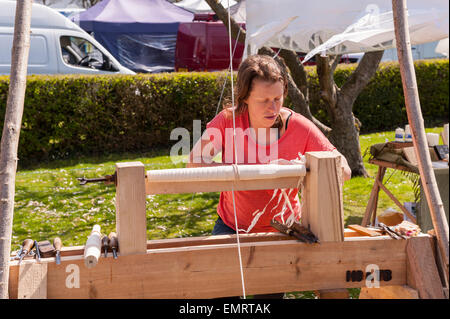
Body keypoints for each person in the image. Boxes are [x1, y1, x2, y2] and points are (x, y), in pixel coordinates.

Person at [188, 54, 351, 237]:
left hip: (288, 229)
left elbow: (344, 171)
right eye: (263, 100)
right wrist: (248, 171)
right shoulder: (228, 120)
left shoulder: (299, 126)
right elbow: (194, 164)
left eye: (277, 99)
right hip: (232, 227)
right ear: (244, 98)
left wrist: (303, 167)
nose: (272, 108)